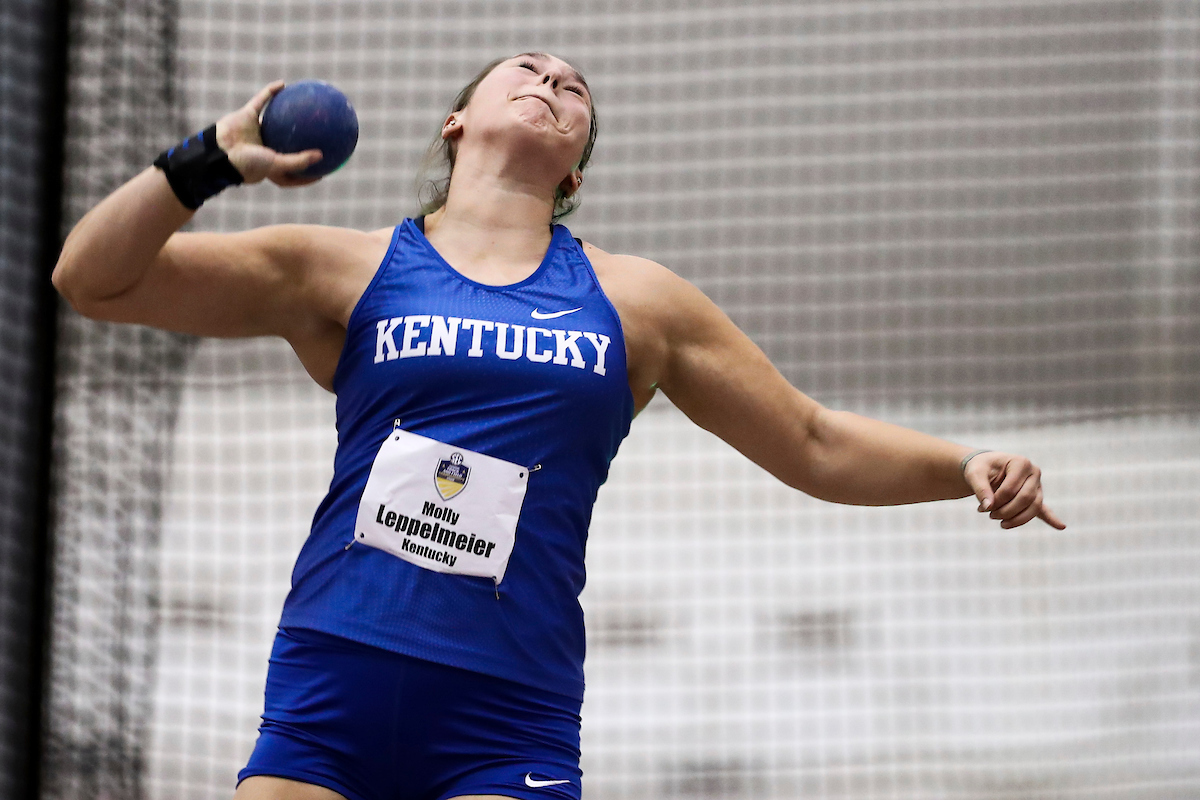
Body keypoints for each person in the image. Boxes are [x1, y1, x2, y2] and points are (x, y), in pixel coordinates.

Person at [53, 52, 1065, 800]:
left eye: (574, 89)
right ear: (456, 123)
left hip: (507, 708)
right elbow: (92, 278)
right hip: (333, 677)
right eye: (527, 71)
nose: (552, 81)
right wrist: (206, 163)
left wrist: (964, 462)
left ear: (576, 167)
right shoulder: (343, 267)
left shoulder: (638, 302)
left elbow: (810, 440)